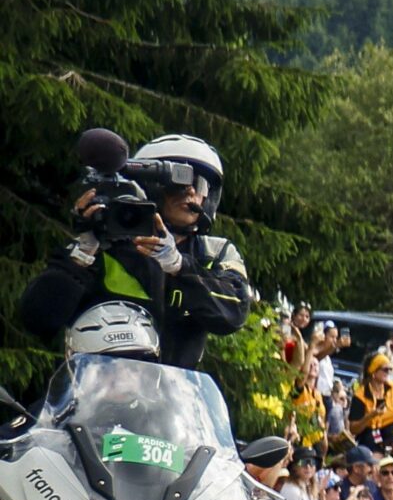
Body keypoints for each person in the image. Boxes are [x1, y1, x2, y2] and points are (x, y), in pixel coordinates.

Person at [16, 131, 254, 369]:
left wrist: (178, 266)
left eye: (200, 184)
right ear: (151, 187)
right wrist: (82, 253)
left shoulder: (214, 252)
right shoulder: (108, 242)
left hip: (178, 396)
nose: (191, 191)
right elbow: (38, 318)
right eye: (179, 183)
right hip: (103, 393)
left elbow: (234, 312)